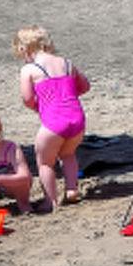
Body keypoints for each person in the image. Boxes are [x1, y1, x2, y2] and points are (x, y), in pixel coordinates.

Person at [14, 26, 89, 210]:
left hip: (53, 122)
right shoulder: (67, 63)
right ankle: (72, 189)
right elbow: (85, 86)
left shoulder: (29, 69)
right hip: (77, 120)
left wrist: (38, 106)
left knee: (45, 162)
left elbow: (27, 98)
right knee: (68, 154)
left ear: (24, 49)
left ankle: (50, 200)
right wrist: (68, 94)